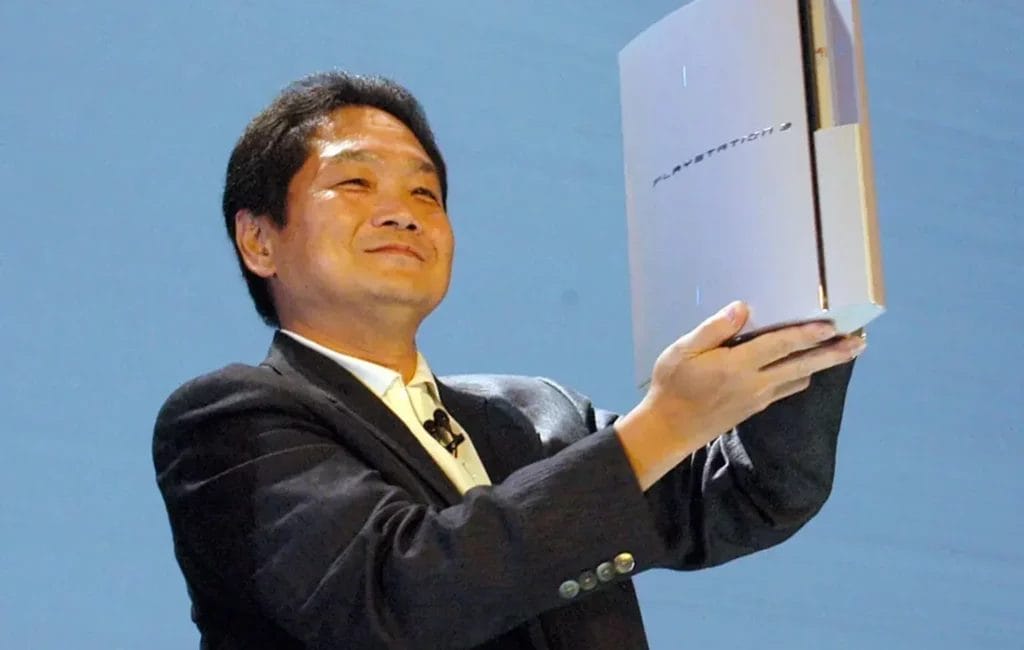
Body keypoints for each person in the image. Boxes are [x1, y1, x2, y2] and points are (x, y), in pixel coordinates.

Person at [153, 71, 865, 650]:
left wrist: (806, 284)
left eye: (425, 192)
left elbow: (750, 493)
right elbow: (397, 598)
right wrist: (664, 425)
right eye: (356, 184)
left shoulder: (536, 415)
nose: (402, 212)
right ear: (259, 241)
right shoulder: (226, 423)